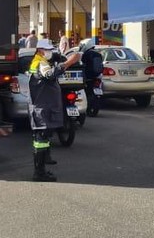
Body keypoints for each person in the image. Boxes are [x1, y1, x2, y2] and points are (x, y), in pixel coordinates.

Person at [27, 38, 81, 182]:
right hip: (43, 108)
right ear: (40, 50)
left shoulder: (40, 61)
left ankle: (42, 168)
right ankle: (39, 173)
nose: (51, 52)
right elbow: (49, 75)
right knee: (41, 139)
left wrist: (62, 57)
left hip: (43, 106)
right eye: (48, 50)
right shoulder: (40, 63)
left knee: (42, 139)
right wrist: (70, 62)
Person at [80, 38, 103, 116]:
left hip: (88, 77)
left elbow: (82, 64)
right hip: (97, 76)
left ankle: (87, 106)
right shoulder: (98, 54)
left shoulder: (85, 54)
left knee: (85, 91)